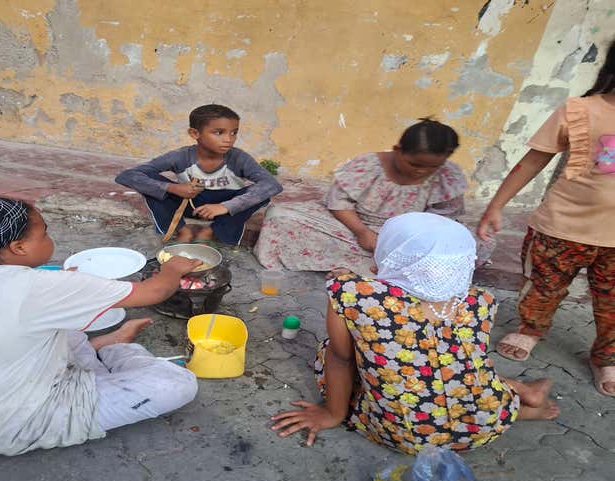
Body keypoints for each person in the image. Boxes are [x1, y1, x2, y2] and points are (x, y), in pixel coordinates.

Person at [0, 198, 202, 456]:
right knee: (176, 385)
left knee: (63, 323)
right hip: (1, 425)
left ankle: (96, 352)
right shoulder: (37, 288)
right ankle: (117, 350)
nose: (48, 239)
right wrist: (173, 267)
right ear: (18, 247)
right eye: (44, 233)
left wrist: (66, 286)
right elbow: (155, 292)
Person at [269, 213, 558, 454]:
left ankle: (526, 398)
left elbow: (341, 361)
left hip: (405, 435)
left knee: (331, 349)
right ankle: (524, 402)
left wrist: (332, 414)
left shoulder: (351, 294)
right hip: (482, 424)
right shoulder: (481, 300)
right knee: (453, 362)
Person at [477, 39, 615, 397]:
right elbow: (535, 160)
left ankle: (606, 357)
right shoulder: (579, 110)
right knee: (543, 288)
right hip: (561, 227)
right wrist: (496, 205)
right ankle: (530, 330)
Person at [254, 118, 491, 274]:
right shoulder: (368, 165)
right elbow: (338, 202)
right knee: (280, 215)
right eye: (414, 163)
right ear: (398, 150)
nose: (421, 171)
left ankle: (387, 266)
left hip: (409, 237)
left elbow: (441, 221)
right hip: (354, 227)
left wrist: (400, 243)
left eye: (431, 167)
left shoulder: (447, 177)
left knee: (474, 244)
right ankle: (381, 267)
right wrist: (363, 232)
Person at [115, 104, 283, 245]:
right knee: (149, 184)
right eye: (219, 132)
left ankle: (212, 232)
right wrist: (173, 187)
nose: (229, 139)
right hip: (190, 204)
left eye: (234, 132)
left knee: (261, 194)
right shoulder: (180, 156)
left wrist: (225, 207)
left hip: (226, 208)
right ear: (195, 134)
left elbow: (272, 185)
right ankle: (182, 231)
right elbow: (127, 175)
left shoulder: (239, 158)